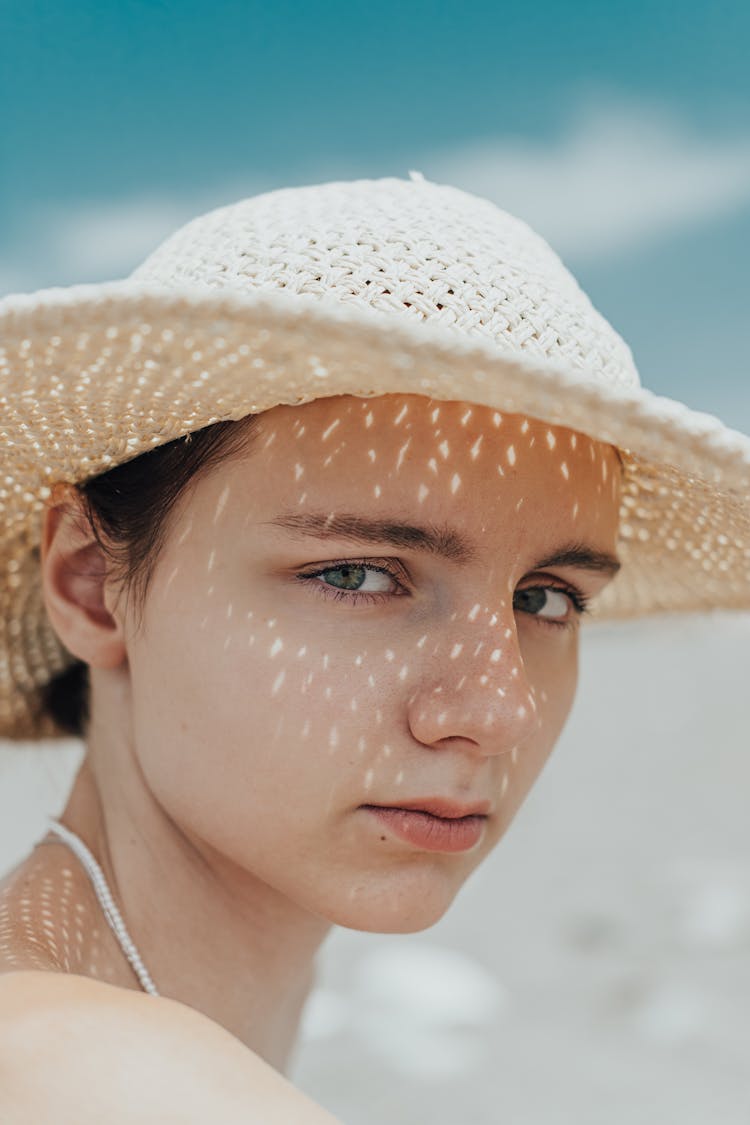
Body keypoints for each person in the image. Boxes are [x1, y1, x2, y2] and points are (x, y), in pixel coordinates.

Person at [0, 173, 748, 1122]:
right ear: (88, 585)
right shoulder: (96, 1074)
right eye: (357, 575)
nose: (497, 711)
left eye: (546, 598)